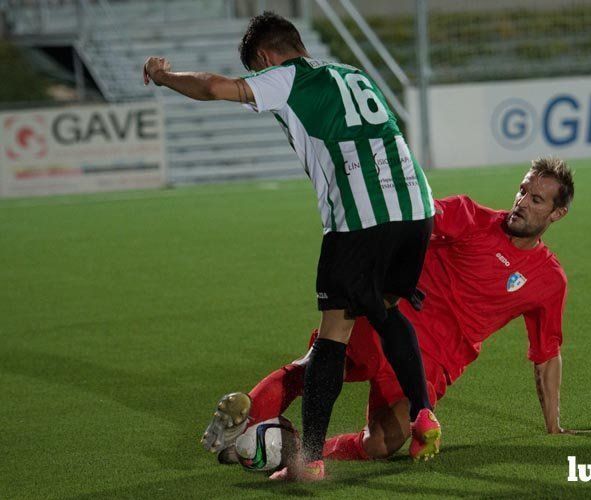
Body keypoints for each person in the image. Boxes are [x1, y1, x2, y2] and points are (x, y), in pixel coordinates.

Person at [143, 12, 439, 479]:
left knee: (332, 336)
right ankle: (423, 410)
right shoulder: (351, 72)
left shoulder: (285, 77)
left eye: (257, 69)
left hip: (360, 216)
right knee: (386, 309)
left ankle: (311, 458)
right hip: (416, 207)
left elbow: (214, 87)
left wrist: (164, 77)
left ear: (265, 57)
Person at [204, 156, 581, 466]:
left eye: (537, 200)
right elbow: (414, 217)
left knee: (383, 442)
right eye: (522, 190)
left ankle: (288, 451)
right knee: (314, 369)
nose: (521, 202)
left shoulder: (549, 280)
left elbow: (546, 355)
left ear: (557, 213)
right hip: (386, 321)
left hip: (433, 363)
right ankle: (244, 425)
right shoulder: (470, 217)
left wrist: (553, 426)